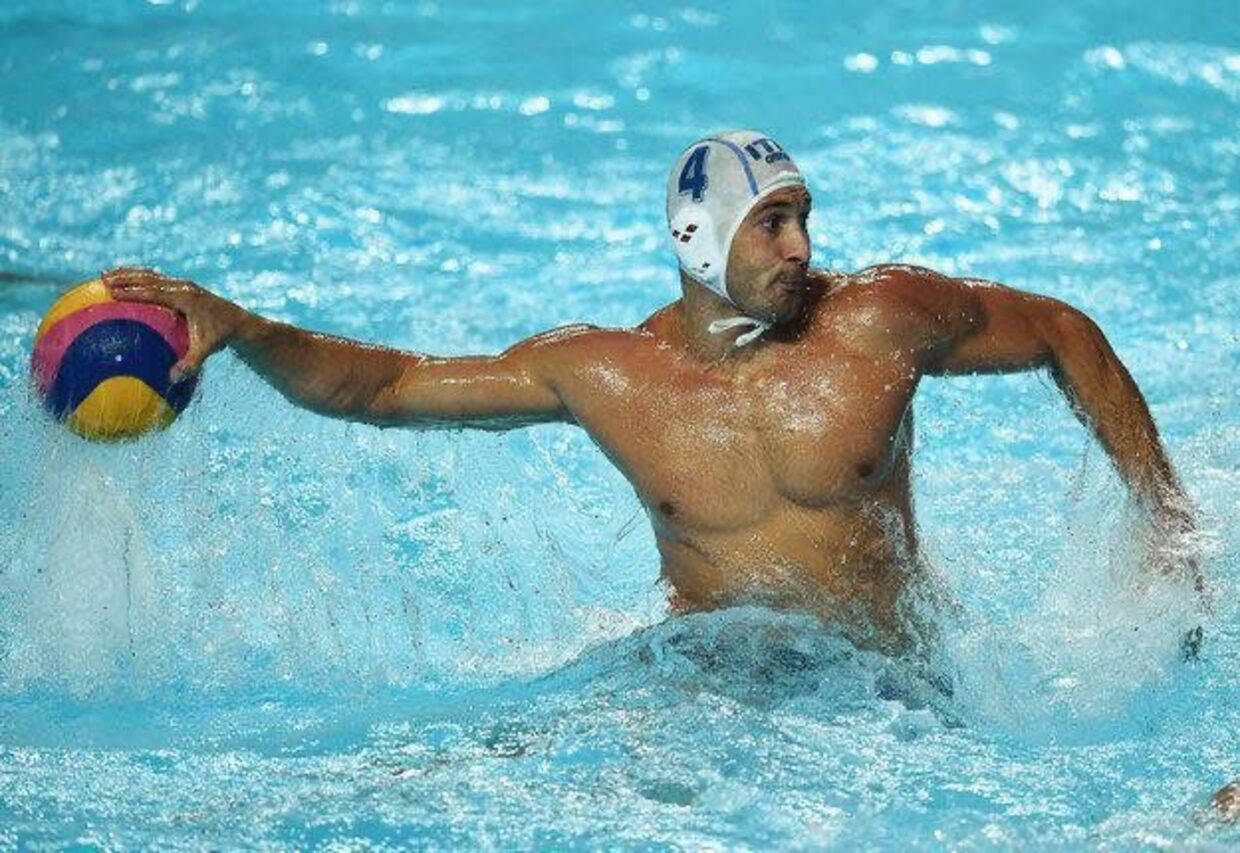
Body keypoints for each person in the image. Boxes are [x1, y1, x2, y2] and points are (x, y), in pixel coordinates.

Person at [102, 130, 1200, 655]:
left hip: (890, 687)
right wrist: (249, 331)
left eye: (804, 217)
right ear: (697, 238)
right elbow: (385, 387)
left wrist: (1162, 513)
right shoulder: (611, 374)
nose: (803, 246)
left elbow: (1065, 332)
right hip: (712, 689)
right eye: (773, 223)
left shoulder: (876, 320)